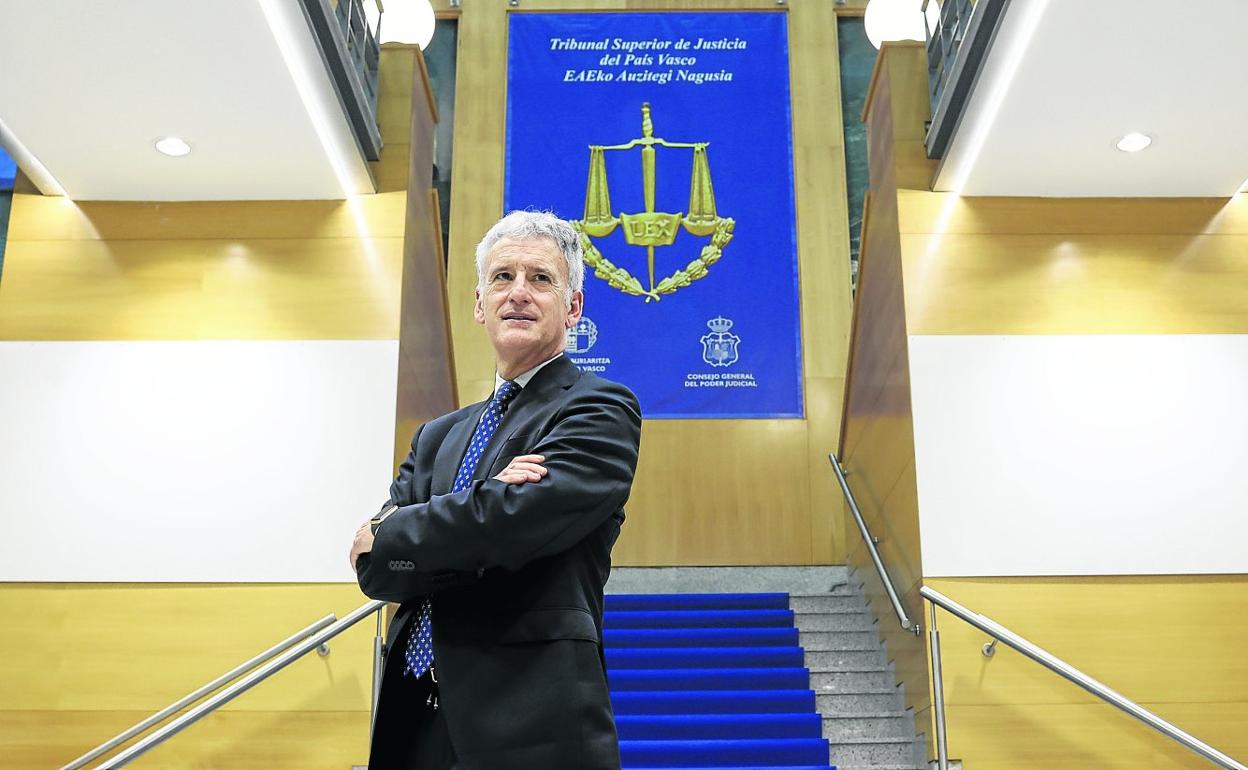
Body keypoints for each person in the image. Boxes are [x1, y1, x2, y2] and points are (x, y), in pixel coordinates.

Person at [349, 210, 642, 770]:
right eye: (502, 277)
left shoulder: (598, 408)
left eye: (541, 279)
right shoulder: (437, 437)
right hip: (413, 721)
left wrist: (398, 531)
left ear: (573, 307)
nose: (519, 293)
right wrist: (485, 504)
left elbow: (515, 525)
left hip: (528, 722)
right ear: (480, 304)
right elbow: (376, 571)